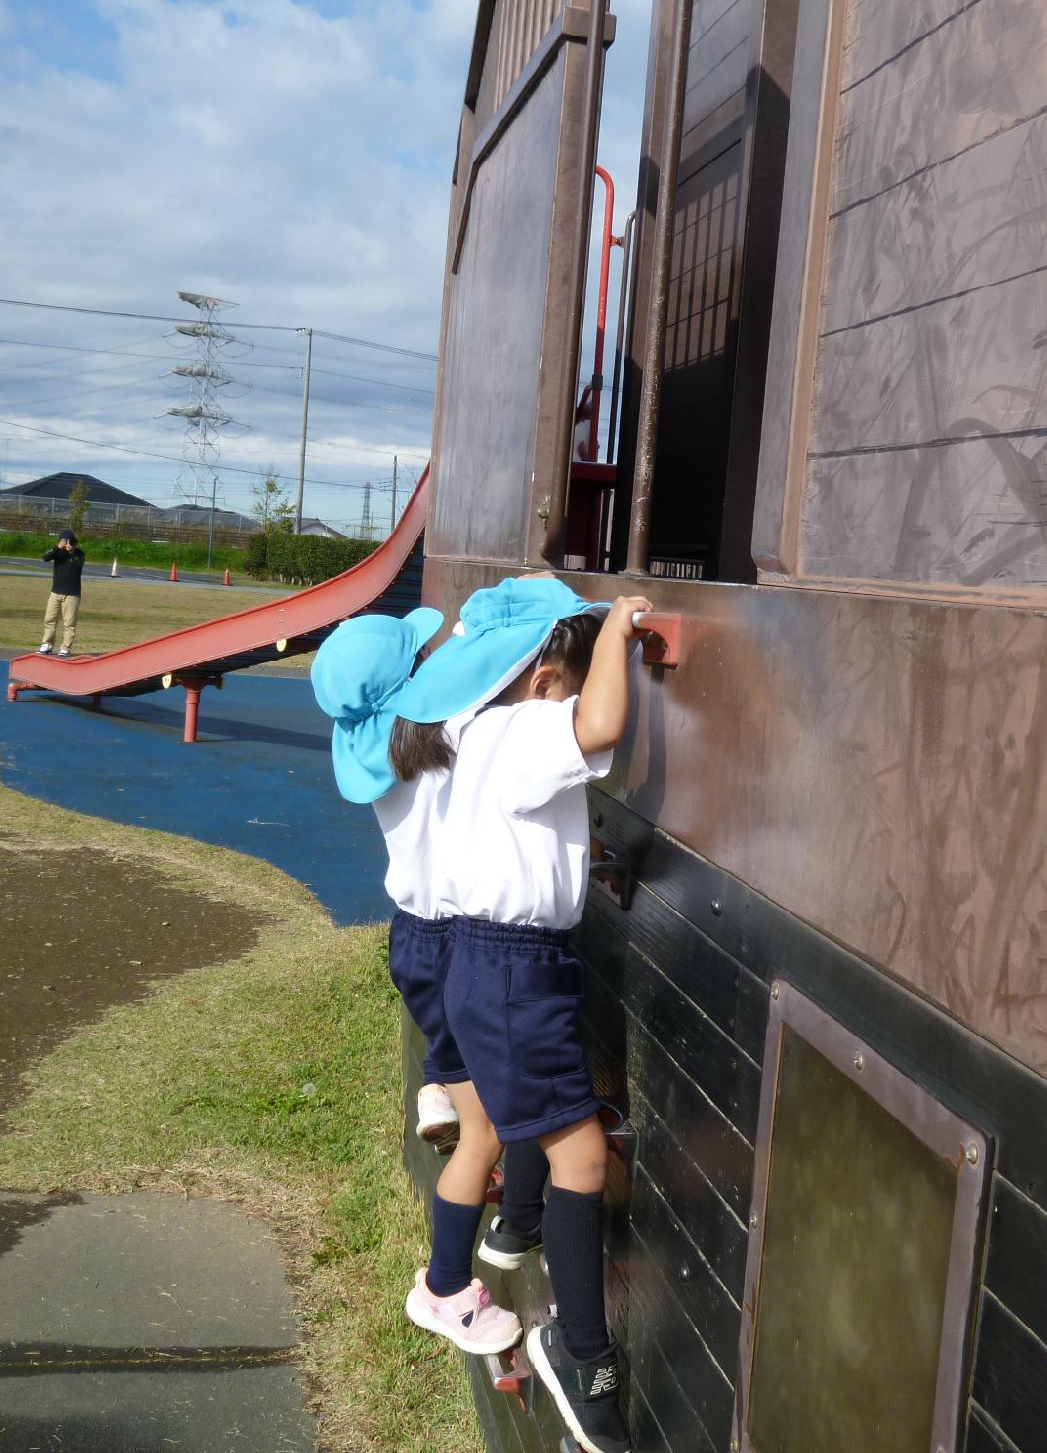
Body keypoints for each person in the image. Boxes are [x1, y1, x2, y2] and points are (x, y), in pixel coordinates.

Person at [391, 575, 649, 1453]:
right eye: (572, 677)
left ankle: (515, 1243)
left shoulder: (472, 731)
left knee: (529, 1133)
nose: (575, 696)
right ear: (543, 676)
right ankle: (581, 1353)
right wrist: (621, 629)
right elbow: (600, 724)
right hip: (513, 971)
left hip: (490, 963)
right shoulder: (524, 726)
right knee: (581, 1156)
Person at [310, 606, 466, 1152]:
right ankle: (483, 1154)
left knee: (448, 1045)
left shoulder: (379, 753)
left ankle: (436, 1091)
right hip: (464, 931)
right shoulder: (450, 739)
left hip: (412, 937)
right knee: (483, 1065)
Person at [37, 529, 85, 655]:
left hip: (72, 594)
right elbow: (45, 557)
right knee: (49, 619)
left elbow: (78, 564)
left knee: (69, 623)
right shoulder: (57, 552)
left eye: (69, 541)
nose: (66, 543)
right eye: (63, 540)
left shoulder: (79, 554)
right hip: (56, 592)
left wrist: (71, 552)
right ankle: (47, 643)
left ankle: (66, 647)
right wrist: (57, 548)